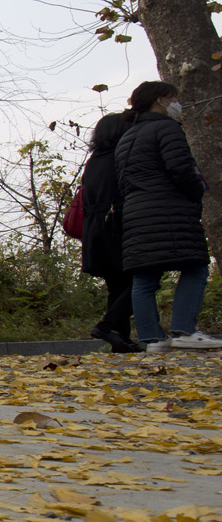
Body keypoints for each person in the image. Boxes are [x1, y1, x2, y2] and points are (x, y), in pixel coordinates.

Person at [115, 80, 222, 352]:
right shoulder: (167, 128)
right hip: (169, 210)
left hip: (136, 215)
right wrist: (196, 192)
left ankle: (152, 339)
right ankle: (184, 330)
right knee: (196, 267)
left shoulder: (126, 138)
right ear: (160, 100)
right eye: (173, 98)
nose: (177, 103)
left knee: (144, 278)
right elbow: (181, 168)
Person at [79, 111, 141, 353]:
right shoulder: (120, 158)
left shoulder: (93, 161)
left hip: (94, 228)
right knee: (142, 280)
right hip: (116, 225)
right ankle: (108, 325)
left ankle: (120, 340)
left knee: (116, 285)